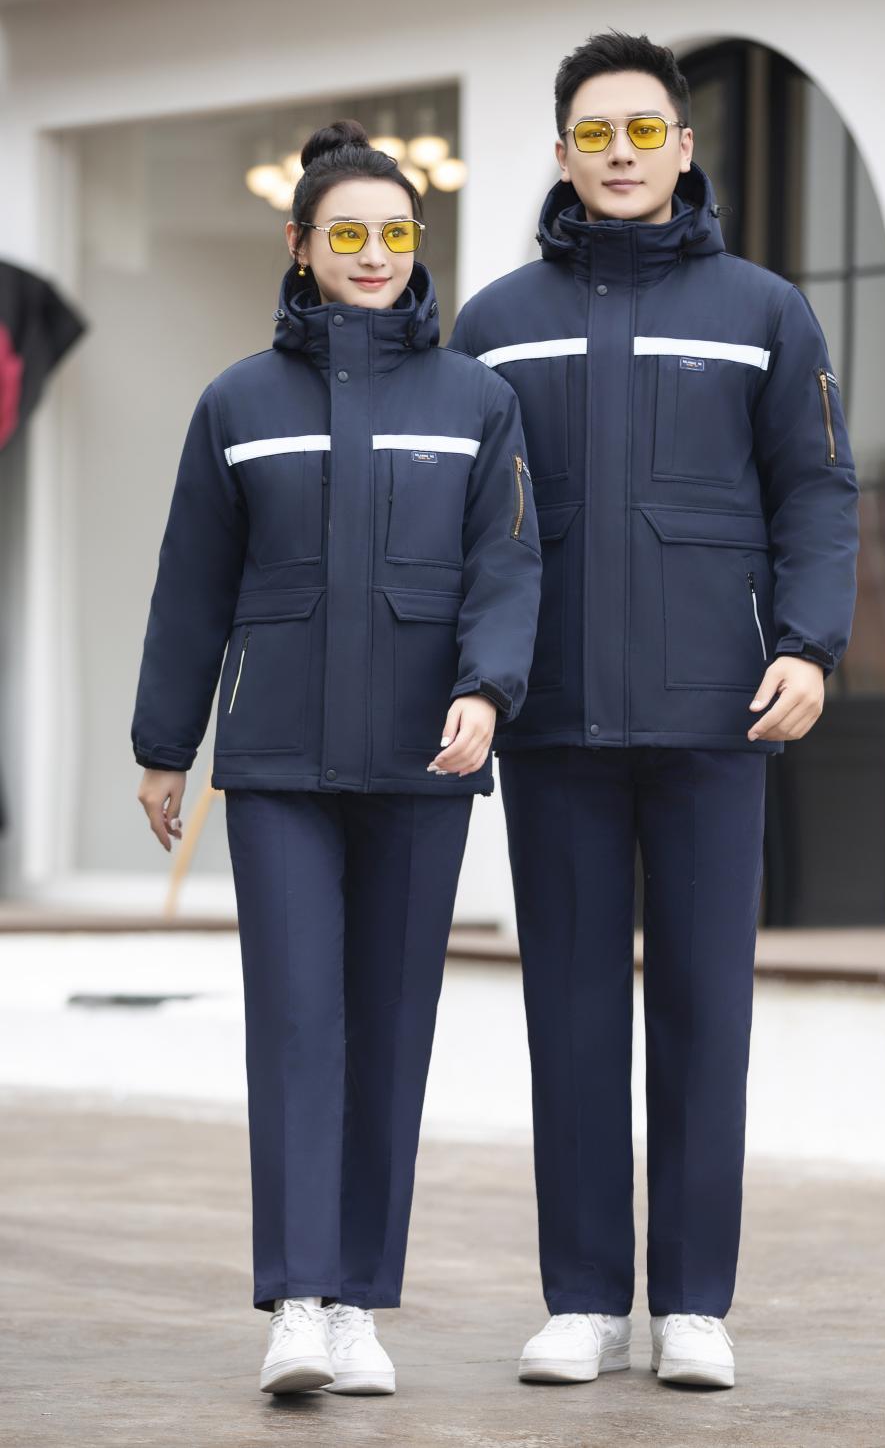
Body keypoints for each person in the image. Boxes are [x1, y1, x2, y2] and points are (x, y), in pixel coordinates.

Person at [449, 32, 859, 1390]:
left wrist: (809, 646)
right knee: (567, 1017)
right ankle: (581, 1301)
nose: (619, 154)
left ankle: (691, 1302)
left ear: (684, 146)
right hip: (553, 720)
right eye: (594, 133)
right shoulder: (496, 322)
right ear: (562, 152)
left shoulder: (762, 311)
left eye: (643, 130)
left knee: (703, 1015)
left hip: (714, 718)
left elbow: (814, 492)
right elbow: (465, 522)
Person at [131, 120, 542, 1398]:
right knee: (298, 1025)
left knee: (392, 1028)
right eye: (346, 234)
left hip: (423, 761)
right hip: (279, 766)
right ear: (299, 246)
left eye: (395, 234)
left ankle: (360, 1303)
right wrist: (164, 745)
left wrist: (486, 688)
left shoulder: (476, 401)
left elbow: (507, 565)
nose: (374, 255)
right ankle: (297, 1305)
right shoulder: (237, 403)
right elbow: (192, 583)